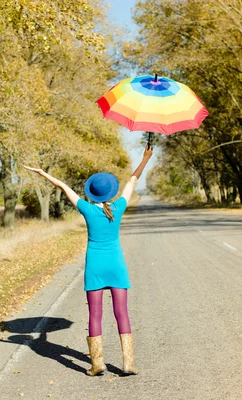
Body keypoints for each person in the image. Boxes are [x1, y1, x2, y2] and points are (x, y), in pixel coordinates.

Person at [24, 144, 153, 376]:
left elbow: (64, 187)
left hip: (94, 266)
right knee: (121, 312)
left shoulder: (86, 209)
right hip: (116, 265)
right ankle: (128, 363)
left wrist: (43, 173)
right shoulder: (119, 206)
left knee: (95, 315)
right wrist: (145, 158)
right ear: (111, 192)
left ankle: (98, 364)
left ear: (91, 193)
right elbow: (133, 181)